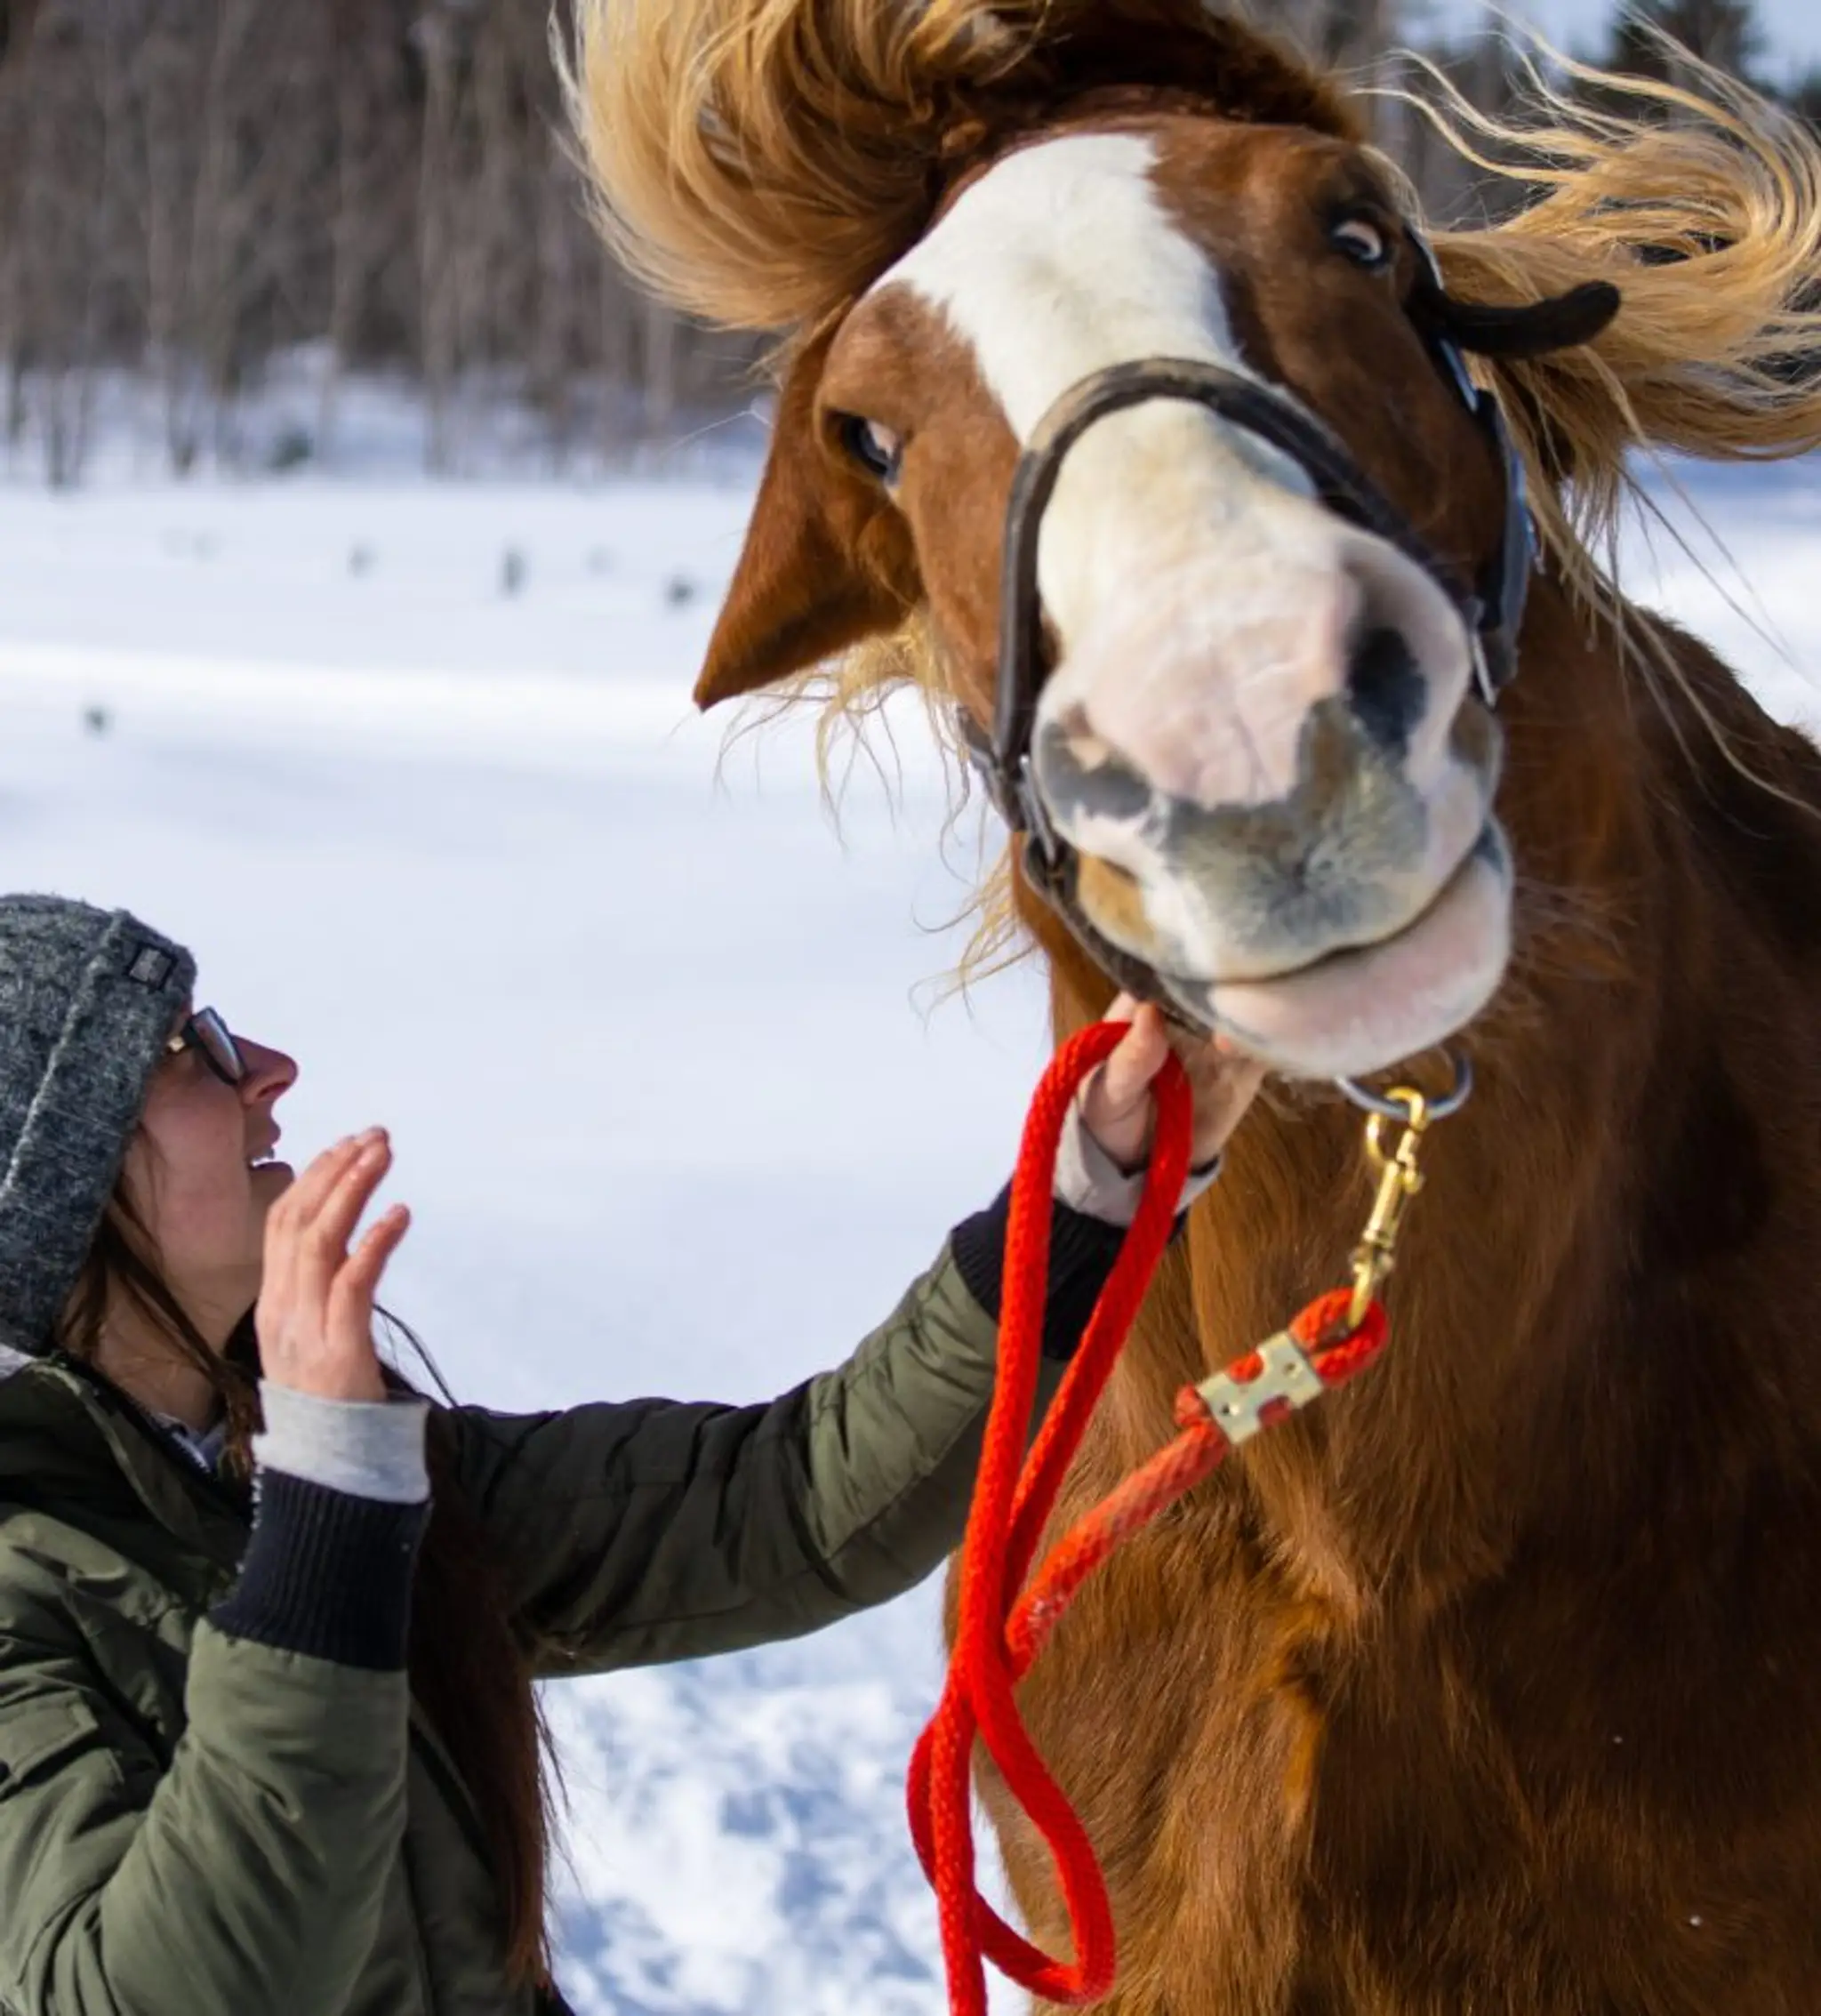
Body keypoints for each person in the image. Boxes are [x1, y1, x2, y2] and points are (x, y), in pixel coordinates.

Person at [0, 893, 1263, 2016]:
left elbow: (793, 1501)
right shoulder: (30, 1582)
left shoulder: (315, 1462)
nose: (269, 1067)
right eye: (189, 1049)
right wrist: (328, 1507)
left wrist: (1091, 1190)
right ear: (56, 1182)